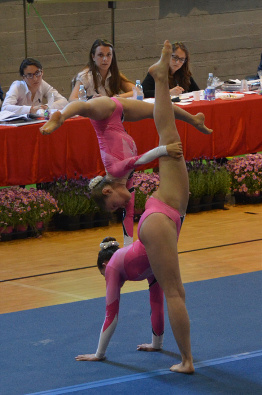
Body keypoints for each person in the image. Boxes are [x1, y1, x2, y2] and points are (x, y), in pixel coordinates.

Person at [40, 95, 212, 246]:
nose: (121, 205)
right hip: (119, 115)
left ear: (108, 190)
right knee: (158, 110)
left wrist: (165, 149)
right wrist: (128, 248)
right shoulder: (125, 181)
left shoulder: (114, 170)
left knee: (85, 108)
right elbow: (128, 216)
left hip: (104, 116)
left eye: (115, 204)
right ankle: (194, 120)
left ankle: (61, 117)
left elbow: (139, 159)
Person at [135, 40, 195, 373]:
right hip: (159, 217)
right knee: (175, 292)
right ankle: (186, 360)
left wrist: (196, 122)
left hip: (164, 213)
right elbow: (136, 160)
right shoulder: (115, 164)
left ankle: (158, 78)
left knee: (169, 136)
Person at [75, 235, 166, 362]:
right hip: (161, 250)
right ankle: (157, 343)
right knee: (157, 302)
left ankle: (158, 345)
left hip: (154, 245)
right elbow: (157, 305)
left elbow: (111, 316)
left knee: (156, 302)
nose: (107, 279)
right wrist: (156, 345)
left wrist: (98, 354)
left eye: (104, 275)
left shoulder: (112, 266)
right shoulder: (124, 260)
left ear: (105, 265)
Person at [69, 39, 135, 102]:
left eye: (108, 55)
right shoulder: (85, 76)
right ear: (93, 57)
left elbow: (137, 91)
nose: (105, 59)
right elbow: (72, 99)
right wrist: (89, 100)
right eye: (100, 55)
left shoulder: (114, 74)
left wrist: (115, 98)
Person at [1, 58, 68, 116]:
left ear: (42, 72)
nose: (35, 78)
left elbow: (64, 101)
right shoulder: (17, 86)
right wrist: (30, 109)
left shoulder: (42, 84)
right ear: (23, 77)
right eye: (30, 75)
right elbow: (5, 108)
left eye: (37, 73)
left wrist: (47, 107)